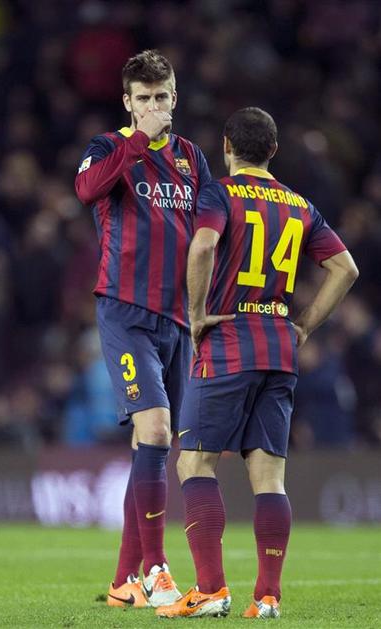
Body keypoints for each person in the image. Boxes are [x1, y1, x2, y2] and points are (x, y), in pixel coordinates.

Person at [156, 107, 358, 619]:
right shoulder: (299, 205)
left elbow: (203, 246)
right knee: (269, 478)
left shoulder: (219, 194)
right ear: (273, 151)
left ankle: (211, 589)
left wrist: (196, 315)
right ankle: (267, 597)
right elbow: (345, 268)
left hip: (228, 340)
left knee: (194, 462)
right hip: (279, 347)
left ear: (227, 146)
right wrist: (304, 325)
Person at [74, 49, 211, 608]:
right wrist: (136, 142)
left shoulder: (193, 159)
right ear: (128, 103)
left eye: (161, 97)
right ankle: (156, 569)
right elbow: (86, 191)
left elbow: (209, 235)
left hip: (178, 319)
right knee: (154, 431)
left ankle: (122, 582)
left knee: (152, 444)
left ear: (175, 98)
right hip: (125, 310)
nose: (154, 107)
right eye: (143, 99)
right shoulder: (108, 147)